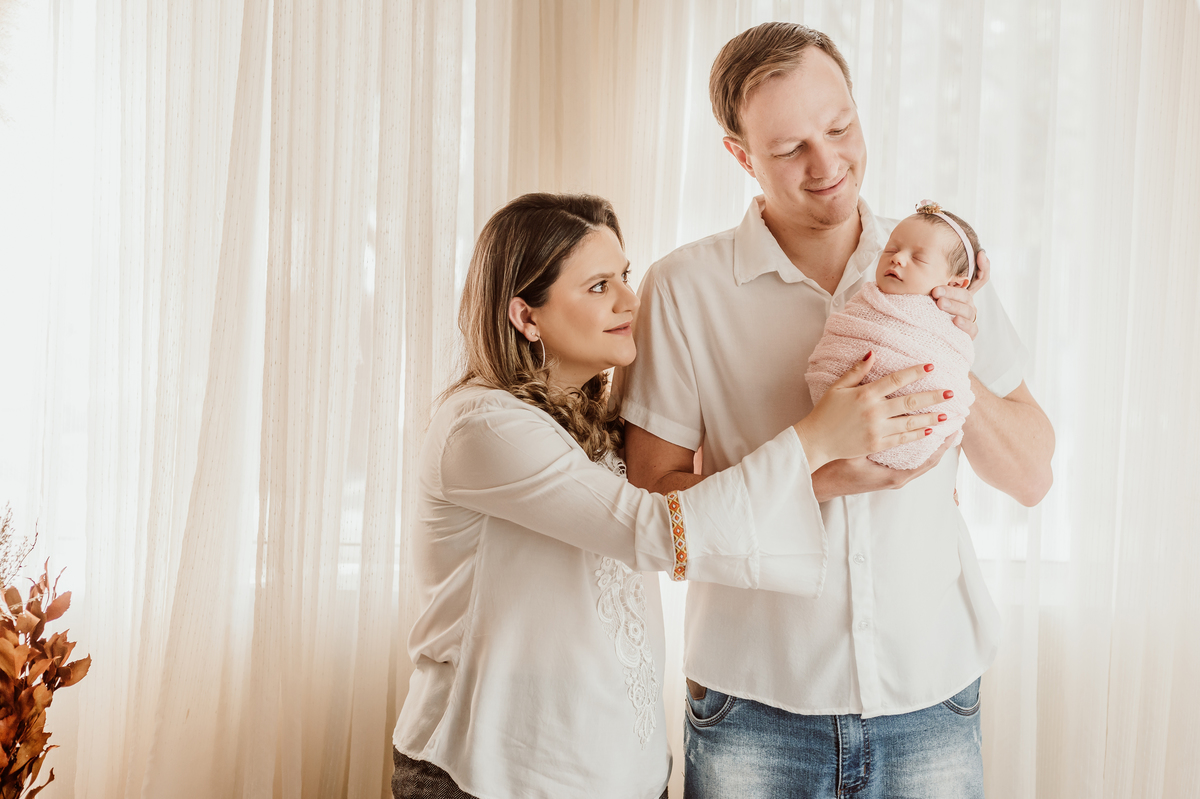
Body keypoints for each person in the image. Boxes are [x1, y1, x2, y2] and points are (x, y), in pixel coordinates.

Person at [389, 192, 948, 799]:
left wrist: (936, 322)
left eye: (623, 276)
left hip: (622, 776)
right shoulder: (483, 428)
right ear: (526, 316)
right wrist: (813, 441)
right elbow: (658, 530)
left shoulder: (591, 423)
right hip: (493, 778)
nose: (630, 300)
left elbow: (711, 506)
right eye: (598, 286)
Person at [621, 22, 1055, 799]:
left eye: (840, 127)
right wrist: (813, 470)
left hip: (931, 696)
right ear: (740, 156)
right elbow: (652, 504)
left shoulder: (937, 266)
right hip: (754, 706)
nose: (827, 166)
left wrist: (949, 355)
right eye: (790, 148)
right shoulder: (684, 288)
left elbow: (1031, 476)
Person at [806, 201, 982, 470]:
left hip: (916, 432)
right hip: (830, 425)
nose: (897, 258)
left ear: (954, 284)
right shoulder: (866, 301)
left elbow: (951, 373)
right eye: (891, 249)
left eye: (918, 258)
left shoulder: (956, 321)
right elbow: (839, 342)